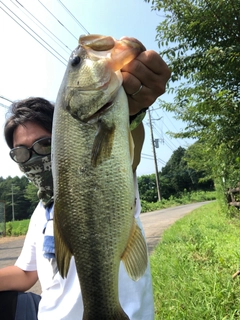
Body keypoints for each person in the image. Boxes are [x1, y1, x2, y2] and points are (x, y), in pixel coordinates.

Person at [0, 39, 171, 320]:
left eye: (43, 145)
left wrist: (134, 112)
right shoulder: (39, 213)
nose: (32, 157)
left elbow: (128, 144)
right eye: (20, 153)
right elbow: (26, 273)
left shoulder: (112, 169)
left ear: (61, 137)